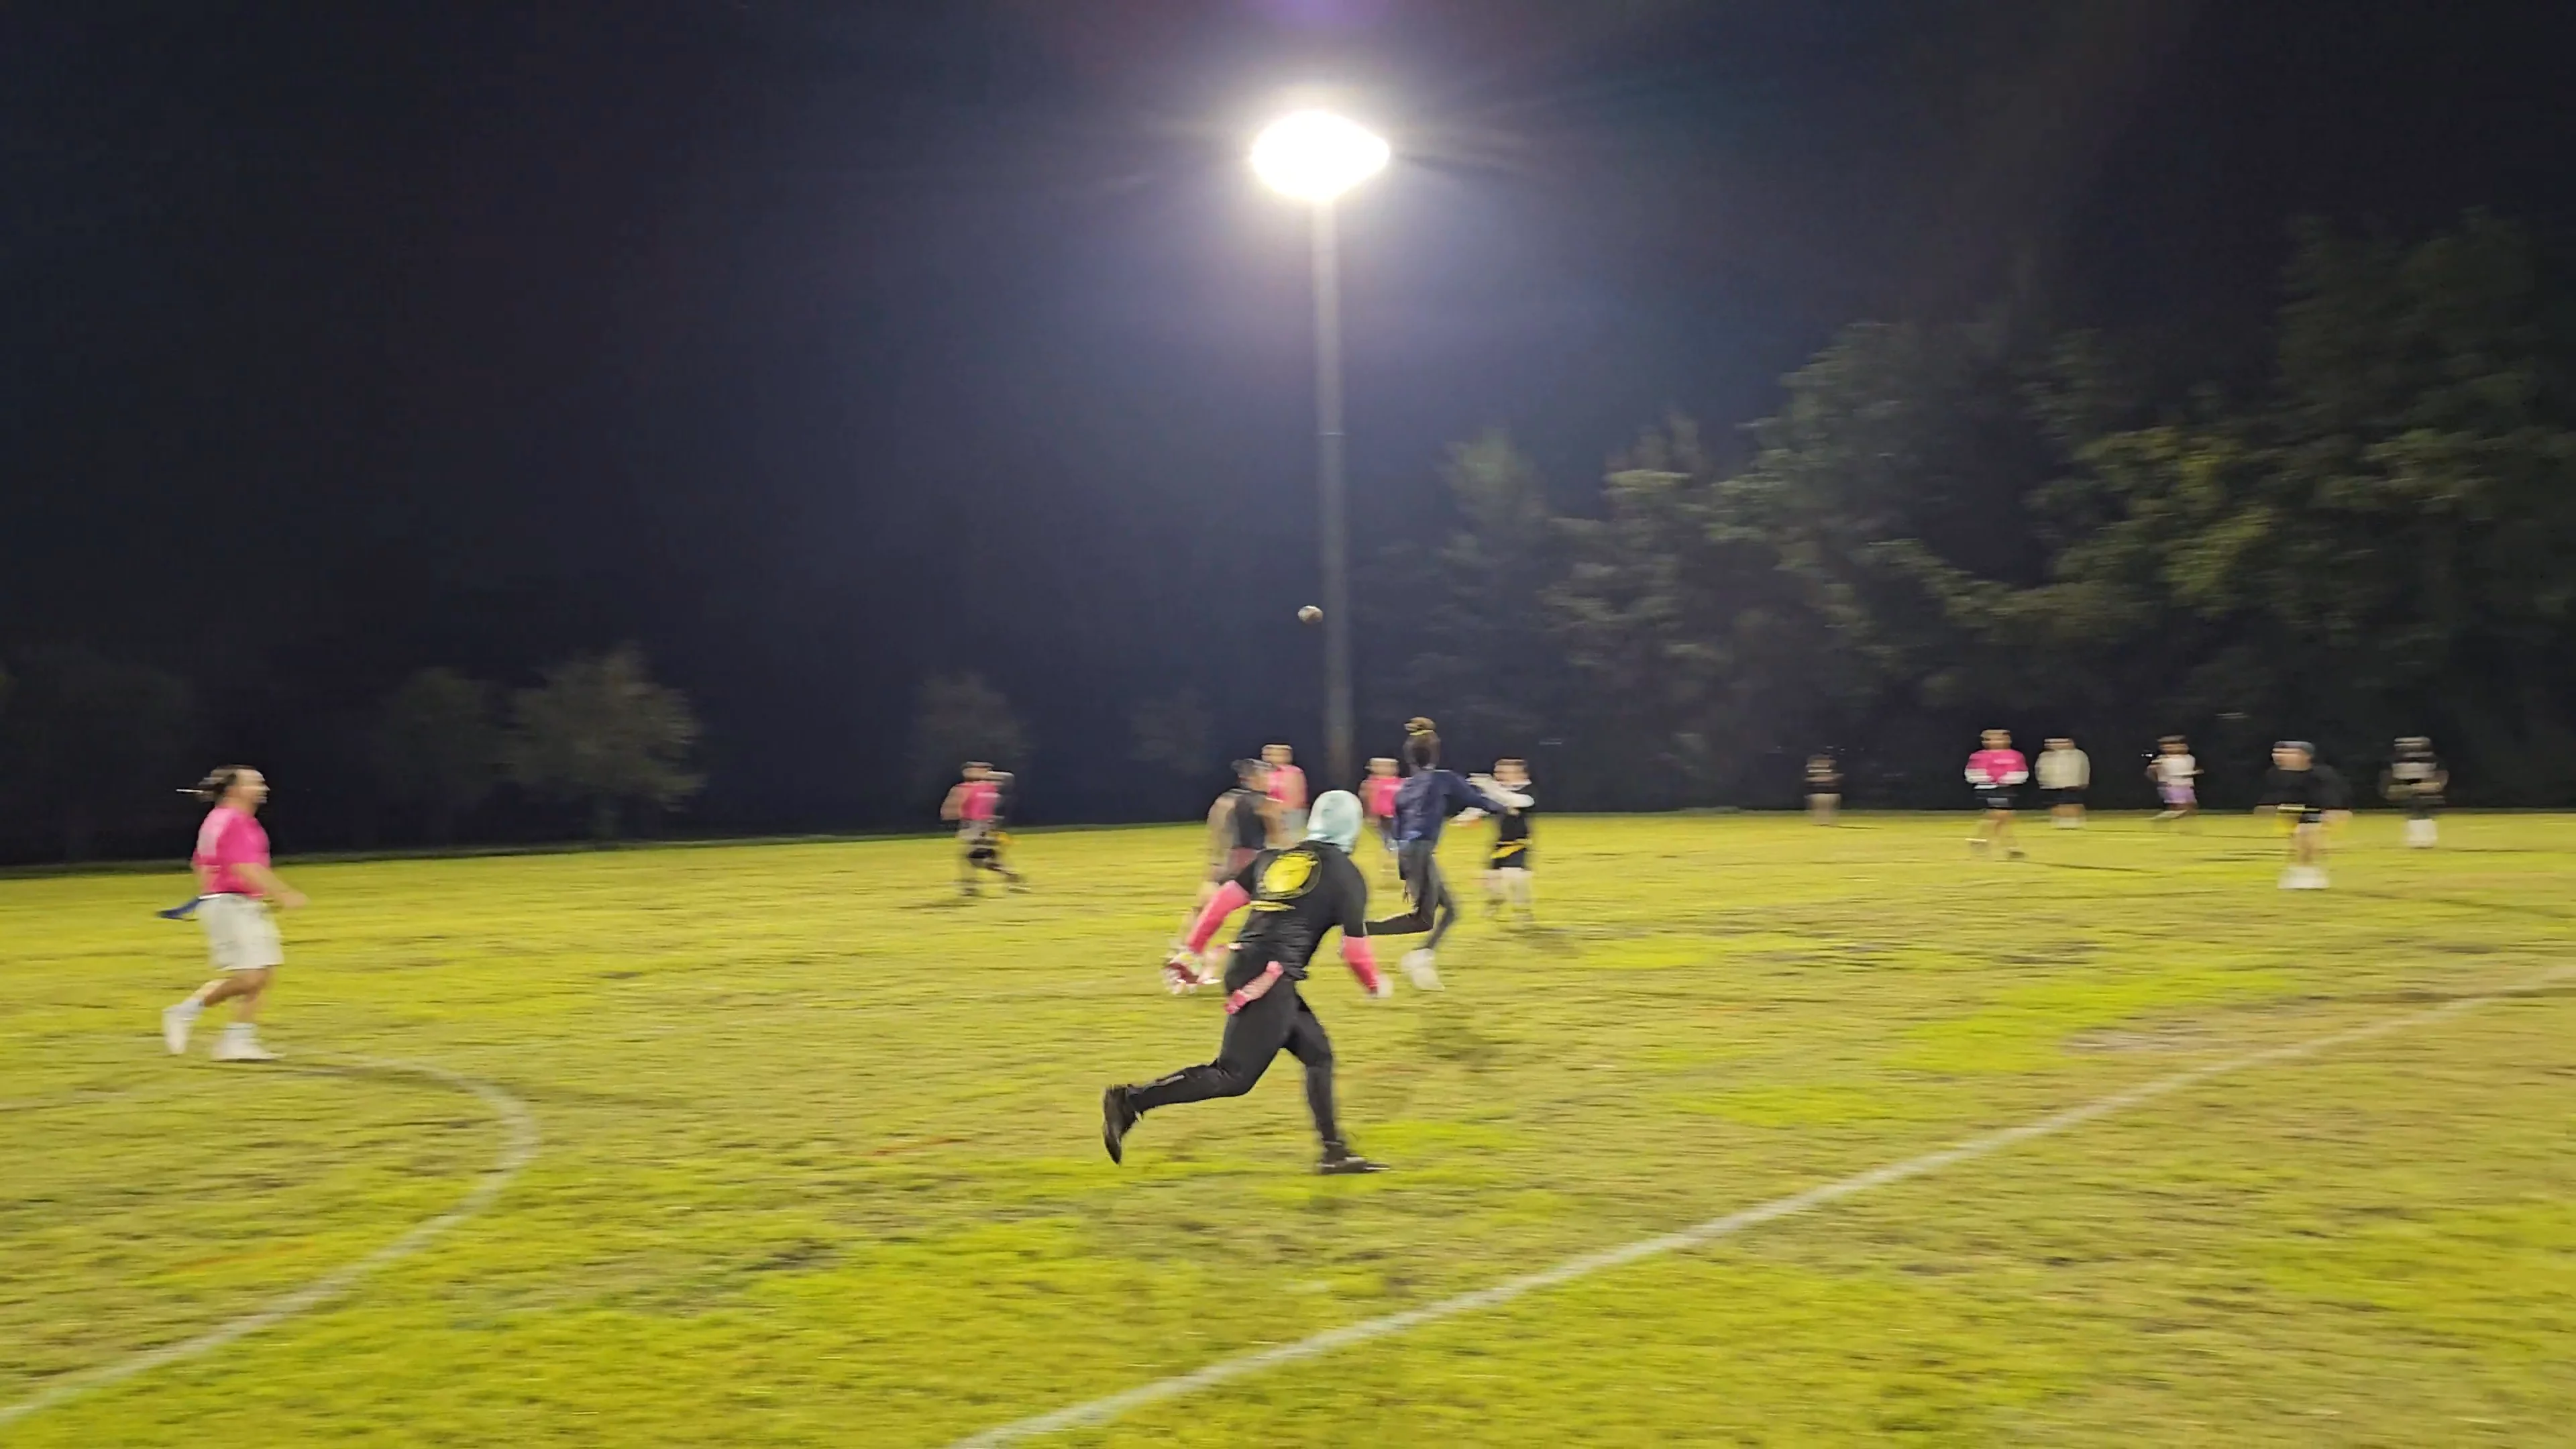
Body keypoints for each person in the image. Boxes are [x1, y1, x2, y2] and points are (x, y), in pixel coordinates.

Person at [1108, 791, 1391, 1175]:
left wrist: (1192, 950)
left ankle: (1334, 1152)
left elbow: (1221, 904)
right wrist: (1374, 984)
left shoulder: (1274, 857)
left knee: (1318, 1054)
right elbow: (1355, 952)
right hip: (1268, 981)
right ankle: (1130, 1100)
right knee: (1233, 1075)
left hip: (1252, 968)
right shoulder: (1347, 875)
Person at [1364, 718, 1529, 990]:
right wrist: (1505, 808)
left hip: (1409, 853)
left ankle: (1416, 955)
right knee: (1427, 919)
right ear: (1435, 754)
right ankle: (1367, 935)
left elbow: (1397, 830)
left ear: (1411, 758)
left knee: (1445, 913)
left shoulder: (1406, 787)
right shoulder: (1443, 779)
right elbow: (1476, 800)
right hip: (1420, 852)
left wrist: (1406, 869)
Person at [161, 766, 306, 1062]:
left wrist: (211, 894)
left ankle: (236, 1042)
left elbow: (200, 864)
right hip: (232, 904)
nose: (263, 789)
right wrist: (283, 893)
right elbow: (245, 867)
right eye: (255, 783)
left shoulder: (218, 819)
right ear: (234, 790)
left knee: (262, 973)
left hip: (233, 902)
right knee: (251, 977)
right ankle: (185, 1012)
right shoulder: (236, 820)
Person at [1176, 759, 1275, 955]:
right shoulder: (1267, 804)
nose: (1269, 780)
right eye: (1266, 776)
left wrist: (1215, 861)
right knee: (1273, 912)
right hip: (1254, 865)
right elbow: (1278, 837)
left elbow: (1217, 831)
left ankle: (1182, 949)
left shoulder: (1227, 800)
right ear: (1253, 778)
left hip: (1232, 860)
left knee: (1204, 909)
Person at [2256, 740, 2350, 889]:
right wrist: (2269, 805)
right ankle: (2304, 872)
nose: (2281, 757)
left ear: (2305, 756)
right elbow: (2278, 793)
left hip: (2316, 809)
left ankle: (2308, 874)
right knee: (2298, 842)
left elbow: (2331, 793)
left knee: (2306, 838)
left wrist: (2333, 810)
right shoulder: (2277, 774)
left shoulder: (2321, 774)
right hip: (2294, 810)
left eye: (2291, 753)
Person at [940, 763, 1023, 896]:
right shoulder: (987, 788)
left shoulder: (977, 788)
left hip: (979, 827)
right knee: (980, 859)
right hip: (984, 827)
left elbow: (957, 807)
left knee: (974, 859)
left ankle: (974, 885)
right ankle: (1008, 877)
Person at [1474, 757, 1537, 922]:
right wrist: (1468, 815)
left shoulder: (1527, 789)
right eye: (1498, 772)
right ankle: (1497, 899)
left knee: (1515, 876)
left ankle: (1522, 910)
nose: (1499, 775)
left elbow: (1518, 801)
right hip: (1501, 842)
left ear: (1518, 773)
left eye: (1503, 772)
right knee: (1490, 878)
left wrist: (1490, 787)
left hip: (1519, 842)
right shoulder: (1501, 791)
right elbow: (1486, 804)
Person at [1964, 729, 2029, 859]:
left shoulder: (2015, 755)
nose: (1995, 742)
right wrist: (1990, 779)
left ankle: (1981, 840)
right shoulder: (1978, 756)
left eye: (1999, 739)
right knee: (2001, 814)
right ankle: (2010, 847)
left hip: (2007, 789)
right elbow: (1971, 773)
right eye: (1991, 740)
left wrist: (2010, 779)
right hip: (1987, 788)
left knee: (2003, 817)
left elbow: (2022, 772)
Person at [2382, 735, 2448, 848]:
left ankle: (2426, 837)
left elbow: (2440, 777)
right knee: (2415, 812)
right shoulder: (2396, 761)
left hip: (2424, 790)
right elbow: (2391, 778)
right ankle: (2417, 837)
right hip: (2409, 790)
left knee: (2422, 811)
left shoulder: (2431, 760)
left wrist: (2429, 786)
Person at [2038, 737, 2091, 828]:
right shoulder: (2045, 756)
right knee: (2056, 804)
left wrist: (2084, 781)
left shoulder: (2078, 754)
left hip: (2072, 783)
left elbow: (2084, 768)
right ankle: (2060, 820)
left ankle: (2075, 821)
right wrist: (2043, 781)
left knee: (2072, 803)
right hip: (2053, 784)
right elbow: (2041, 769)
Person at [1263, 742, 1309, 845]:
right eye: (1266, 754)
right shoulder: (1265, 773)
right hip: (1269, 817)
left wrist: (1275, 810)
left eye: (1271, 754)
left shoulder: (1294, 773)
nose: (1267, 757)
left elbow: (1295, 800)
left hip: (1290, 815)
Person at [2149, 736, 2200, 824]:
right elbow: (2151, 771)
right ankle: (2159, 820)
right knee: (2180, 807)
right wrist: (2160, 781)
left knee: (2190, 807)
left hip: (2187, 786)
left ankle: (2173, 822)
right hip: (2173, 786)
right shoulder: (2163, 759)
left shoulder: (2190, 758)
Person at [1360, 757, 1401, 857]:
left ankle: (1393, 848)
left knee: (1393, 835)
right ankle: (1391, 848)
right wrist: (1370, 815)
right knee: (1386, 834)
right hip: (1382, 815)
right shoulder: (1371, 783)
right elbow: (1368, 798)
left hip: (1396, 814)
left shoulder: (1399, 782)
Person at [1805, 753, 1842, 824]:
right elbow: (1808, 779)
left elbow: (1836, 778)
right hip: (1817, 792)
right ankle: (1819, 820)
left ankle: (1827, 821)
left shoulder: (1831, 768)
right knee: (1818, 806)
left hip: (1829, 792)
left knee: (1828, 807)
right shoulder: (1813, 769)